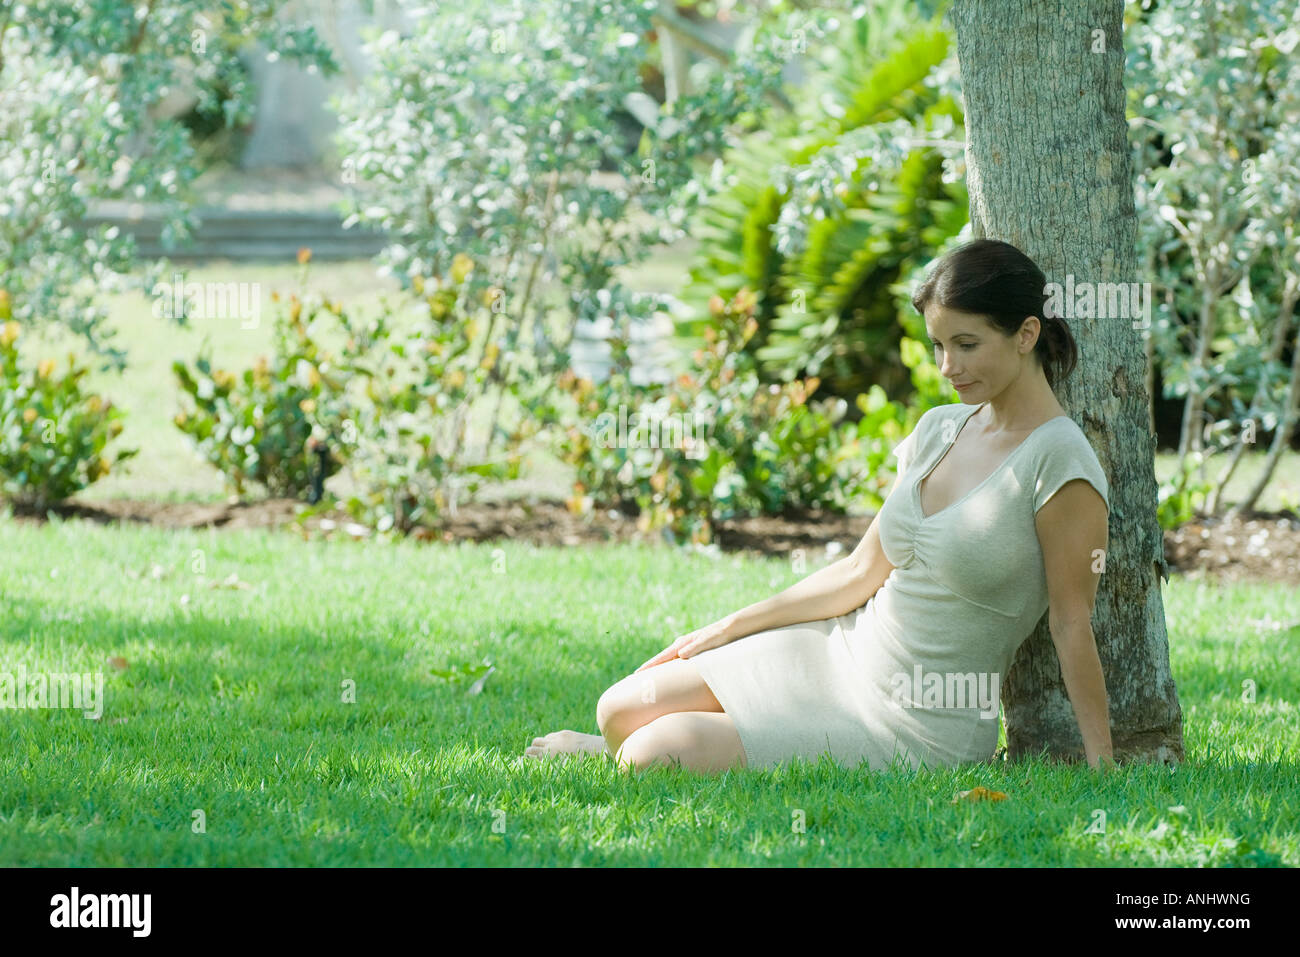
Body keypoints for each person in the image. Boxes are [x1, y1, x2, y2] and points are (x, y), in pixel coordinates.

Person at [524, 238, 1114, 774]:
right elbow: (860, 573)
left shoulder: (1058, 459)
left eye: (966, 345)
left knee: (651, 756)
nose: (946, 368)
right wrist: (727, 628)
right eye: (937, 345)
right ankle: (621, 740)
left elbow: (1070, 620)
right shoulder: (941, 429)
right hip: (842, 654)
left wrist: (1101, 766)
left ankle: (649, 747)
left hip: (916, 722)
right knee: (620, 706)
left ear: (1026, 335)